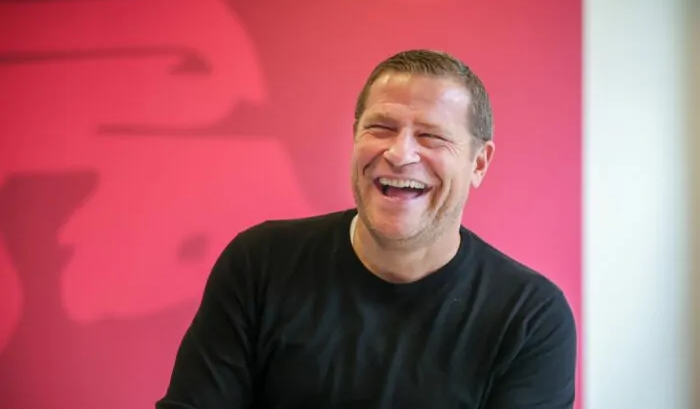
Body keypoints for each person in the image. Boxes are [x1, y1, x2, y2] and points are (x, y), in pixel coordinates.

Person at [155, 49, 577, 408]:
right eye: (381, 128)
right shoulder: (259, 265)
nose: (399, 153)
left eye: (431, 136)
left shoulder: (529, 317)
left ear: (478, 163)